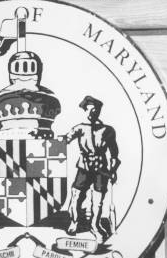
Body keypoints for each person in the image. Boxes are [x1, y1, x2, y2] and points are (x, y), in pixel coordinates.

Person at [63, 96, 120, 243]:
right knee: (76, 195)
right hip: (84, 166)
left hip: (101, 168)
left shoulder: (108, 130)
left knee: (98, 200)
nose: (91, 113)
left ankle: (95, 225)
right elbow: (64, 140)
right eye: (88, 110)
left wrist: (113, 171)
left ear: (98, 111)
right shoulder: (80, 128)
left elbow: (114, 153)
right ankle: (74, 222)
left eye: (94, 110)